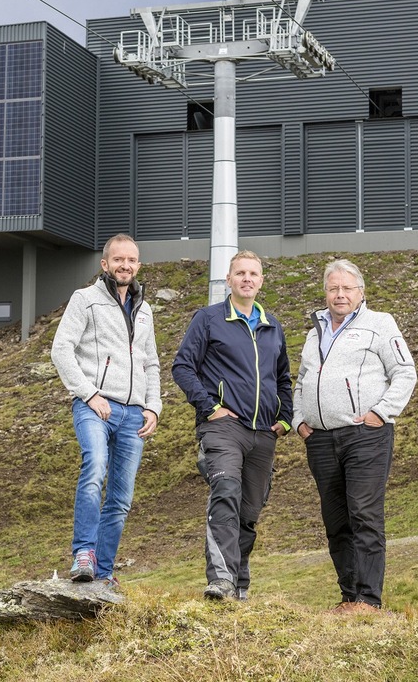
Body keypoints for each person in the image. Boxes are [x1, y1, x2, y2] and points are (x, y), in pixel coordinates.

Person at [292, 259, 417, 613]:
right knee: (336, 520)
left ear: (361, 292)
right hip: (320, 439)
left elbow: (405, 372)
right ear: (326, 292)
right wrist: (301, 421)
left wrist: (381, 412)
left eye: (347, 288)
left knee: (363, 514)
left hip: (366, 436)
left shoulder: (380, 324)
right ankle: (349, 597)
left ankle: (368, 599)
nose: (340, 294)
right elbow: (301, 382)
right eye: (333, 288)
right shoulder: (314, 332)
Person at [172, 250, 293, 601]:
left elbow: (283, 378)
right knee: (225, 492)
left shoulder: (273, 326)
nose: (247, 279)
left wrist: (284, 418)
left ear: (261, 281)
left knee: (249, 511)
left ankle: (238, 585)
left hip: (263, 433)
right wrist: (209, 407)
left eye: (253, 273)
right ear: (229, 279)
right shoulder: (208, 319)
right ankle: (222, 580)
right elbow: (183, 367)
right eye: (240, 273)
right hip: (224, 427)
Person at [51, 234, 161, 585]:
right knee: (95, 468)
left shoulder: (145, 310)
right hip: (95, 407)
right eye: (118, 260)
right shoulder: (84, 300)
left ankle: (102, 573)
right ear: (105, 264)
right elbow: (61, 350)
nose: (124, 265)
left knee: (121, 498)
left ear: (138, 265)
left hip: (133, 415)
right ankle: (83, 552)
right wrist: (88, 393)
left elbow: (152, 363)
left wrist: (153, 407)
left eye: (131, 260)